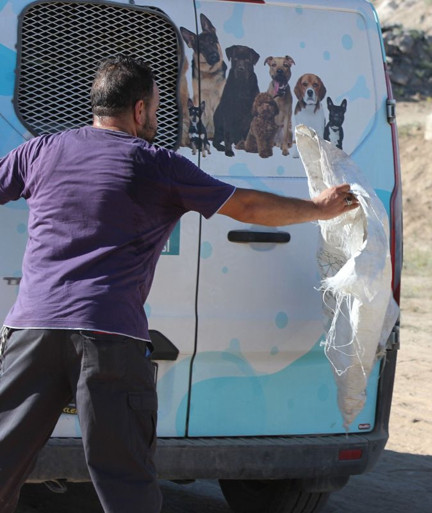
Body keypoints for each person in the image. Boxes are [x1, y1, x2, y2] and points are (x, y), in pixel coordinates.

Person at [0, 54, 358, 513]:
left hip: (32, 331)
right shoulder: (157, 164)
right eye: (155, 107)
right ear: (138, 110)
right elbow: (246, 208)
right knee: (125, 482)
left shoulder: (41, 151)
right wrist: (319, 208)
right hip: (108, 339)